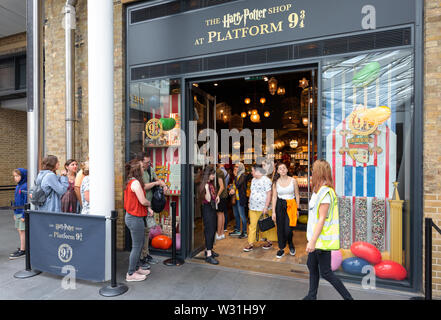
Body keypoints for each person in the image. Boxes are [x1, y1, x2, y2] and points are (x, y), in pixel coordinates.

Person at [303, 159, 353, 300]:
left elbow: (322, 219)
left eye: (313, 170)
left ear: (319, 172)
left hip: (321, 240)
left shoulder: (325, 193)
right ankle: (312, 295)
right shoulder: (318, 191)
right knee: (311, 265)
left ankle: (348, 298)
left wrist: (312, 241)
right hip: (317, 238)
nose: (311, 172)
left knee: (326, 272)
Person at [124, 159, 154, 282]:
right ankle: (130, 274)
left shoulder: (133, 182)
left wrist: (147, 208)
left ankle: (136, 268)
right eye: (142, 167)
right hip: (134, 218)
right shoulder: (135, 183)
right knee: (137, 246)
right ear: (137, 170)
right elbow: (142, 200)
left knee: (139, 244)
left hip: (135, 217)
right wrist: (149, 204)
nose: (144, 169)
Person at [136, 152, 167, 268]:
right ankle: (141, 258)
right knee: (142, 233)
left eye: (149, 162)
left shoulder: (149, 169)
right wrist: (156, 183)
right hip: (142, 205)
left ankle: (146, 255)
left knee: (147, 231)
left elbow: (157, 179)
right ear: (140, 162)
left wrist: (163, 185)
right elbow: (143, 186)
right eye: (146, 162)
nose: (148, 164)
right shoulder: (138, 173)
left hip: (149, 206)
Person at [243, 165, 277, 252]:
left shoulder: (266, 180)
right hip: (253, 207)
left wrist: (266, 206)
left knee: (266, 224)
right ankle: (250, 243)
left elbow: (269, 194)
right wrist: (249, 202)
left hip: (264, 208)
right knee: (252, 225)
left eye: (252, 171)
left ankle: (269, 241)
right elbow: (252, 192)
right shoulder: (253, 180)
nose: (251, 172)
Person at [271, 162, 300, 258]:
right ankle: (281, 248)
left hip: (291, 205)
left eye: (284, 168)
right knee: (280, 228)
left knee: (288, 229)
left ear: (287, 170)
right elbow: (274, 197)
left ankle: (290, 243)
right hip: (279, 205)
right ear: (278, 171)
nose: (282, 170)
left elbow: (297, 195)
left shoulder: (293, 181)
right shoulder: (276, 182)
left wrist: (297, 209)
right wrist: (273, 212)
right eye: (280, 168)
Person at [199, 166, 219, 264]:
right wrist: (207, 189)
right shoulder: (205, 185)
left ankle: (208, 249)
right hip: (207, 210)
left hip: (212, 209)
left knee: (212, 229)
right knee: (209, 230)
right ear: (208, 175)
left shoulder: (210, 184)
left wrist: (217, 197)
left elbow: (213, 197)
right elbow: (208, 199)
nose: (214, 176)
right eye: (212, 174)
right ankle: (209, 255)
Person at [9, 168, 27, 260]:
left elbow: (26, 201)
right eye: (14, 176)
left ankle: (23, 250)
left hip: (22, 213)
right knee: (20, 231)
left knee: (22, 231)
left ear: (23, 176)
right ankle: (22, 247)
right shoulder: (18, 186)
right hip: (17, 212)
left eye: (17, 176)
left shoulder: (25, 186)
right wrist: (15, 213)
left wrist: (24, 215)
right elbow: (16, 201)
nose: (15, 178)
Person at [229, 163, 249, 238]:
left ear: (241, 168)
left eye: (237, 167)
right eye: (235, 166)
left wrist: (235, 176)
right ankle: (237, 230)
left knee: (242, 216)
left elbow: (238, 184)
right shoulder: (237, 176)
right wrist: (231, 189)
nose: (235, 168)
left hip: (240, 199)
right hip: (235, 198)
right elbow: (233, 185)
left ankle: (244, 232)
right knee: (236, 215)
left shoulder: (243, 175)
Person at [215, 164, 228, 240]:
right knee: (222, 214)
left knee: (219, 214)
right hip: (224, 196)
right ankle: (222, 233)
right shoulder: (220, 171)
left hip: (221, 196)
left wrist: (217, 195)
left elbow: (222, 186)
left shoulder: (218, 172)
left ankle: (219, 233)